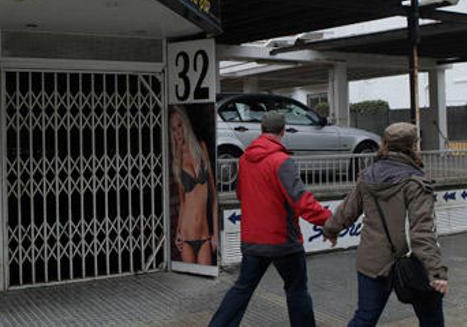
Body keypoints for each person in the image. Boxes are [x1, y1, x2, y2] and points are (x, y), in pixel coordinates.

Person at [210, 111, 332, 327]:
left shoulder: (245, 159)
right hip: (282, 241)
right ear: (283, 131)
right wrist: (329, 220)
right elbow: (301, 201)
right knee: (297, 290)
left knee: (242, 288)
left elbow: (241, 193)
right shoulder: (282, 161)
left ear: (262, 130)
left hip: (252, 239)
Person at [322, 122, 448, 327]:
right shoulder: (416, 183)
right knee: (431, 319)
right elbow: (423, 231)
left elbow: (348, 210)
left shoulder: (367, 175)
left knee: (364, 317)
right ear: (413, 145)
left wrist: (331, 230)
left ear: (385, 144)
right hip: (412, 262)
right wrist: (435, 271)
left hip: (372, 259)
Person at [170, 106, 218, 265]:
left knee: (205, 281)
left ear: (186, 124)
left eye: (180, 125)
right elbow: (183, 201)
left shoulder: (201, 147)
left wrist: (215, 234)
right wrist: (178, 231)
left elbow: (214, 198)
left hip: (205, 236)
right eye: (173, 128)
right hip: (186, 235)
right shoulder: (177, 161)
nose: (177, 132)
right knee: (189, 283)